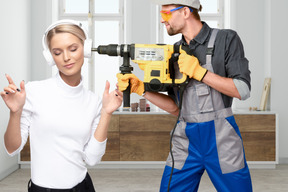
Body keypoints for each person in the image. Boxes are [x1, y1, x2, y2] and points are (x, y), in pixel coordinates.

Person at [117, 0, 253, 191]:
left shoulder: (226, 39)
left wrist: (200, 72)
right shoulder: (173, 52)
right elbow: (176, 108)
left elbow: (242, 90)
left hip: (222, 139)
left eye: (166, 14)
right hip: (185, 140)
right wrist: (141, 89)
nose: (162, 20)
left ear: (186, 11)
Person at [1, 19, 122, 192]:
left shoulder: (93, 101)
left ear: (85, 49)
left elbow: (92, 159)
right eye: (57, 52)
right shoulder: (33, 91)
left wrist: (106, 112)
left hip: (83, 186)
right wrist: (15, 112)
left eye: (73, 49)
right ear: (50, 57)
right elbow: (12, 149)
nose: (66, 57)